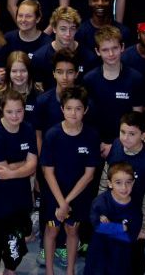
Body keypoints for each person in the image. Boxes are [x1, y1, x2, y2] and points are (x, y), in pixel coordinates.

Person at [40, 86, 100, 274]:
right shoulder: (52, 134)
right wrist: (60, 202)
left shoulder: (91, 135)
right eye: (69, 108)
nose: (73, 113)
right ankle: (49, 270)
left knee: (72, 231)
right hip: (54, 194)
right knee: (51, 231)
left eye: (78, 108)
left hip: (78, 196)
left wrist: (66, 203)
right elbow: (48, 172)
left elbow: (89, 174)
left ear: (86, 110)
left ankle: (70, 270)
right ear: (62, 109)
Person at [0, 91, 36, 275]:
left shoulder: (28, 129)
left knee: (17, 237)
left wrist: (14, 168)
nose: (15, 116)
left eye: (19, 111)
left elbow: (33, 166)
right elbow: (1, 172)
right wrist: (23, 165)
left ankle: (10, 269)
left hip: (21, 196)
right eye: (10, 112)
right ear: (2, 110)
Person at [101, 112, 145, 271]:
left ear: (143, 135)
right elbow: (105, 179)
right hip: (111, 216)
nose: (126, 138)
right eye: (123, 132)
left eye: (132, 134)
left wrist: (144, 229)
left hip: (134, 222)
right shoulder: (116, 145)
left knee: (134, 262)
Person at [82, 25, 145, 148]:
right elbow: (86, 118)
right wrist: (99, 144)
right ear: (97, 51)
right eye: (105, 50)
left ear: (122, 47)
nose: (111, 54)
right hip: (96, 144)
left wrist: (117, 146)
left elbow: (137, 120)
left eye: (115, 48)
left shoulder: (136, 79)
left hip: (126, 145)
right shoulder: (89, 80)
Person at [83, 163, 143, 275]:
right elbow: (97, 227)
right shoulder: (100, 203)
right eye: (118, 183)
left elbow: (131, 236)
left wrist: (109, 226)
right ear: (110, 184)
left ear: (133, 183)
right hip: (99, 256)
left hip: (120, 258)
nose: (124, 187)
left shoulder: (135, 208)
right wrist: (121, 228)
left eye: (128, 182)